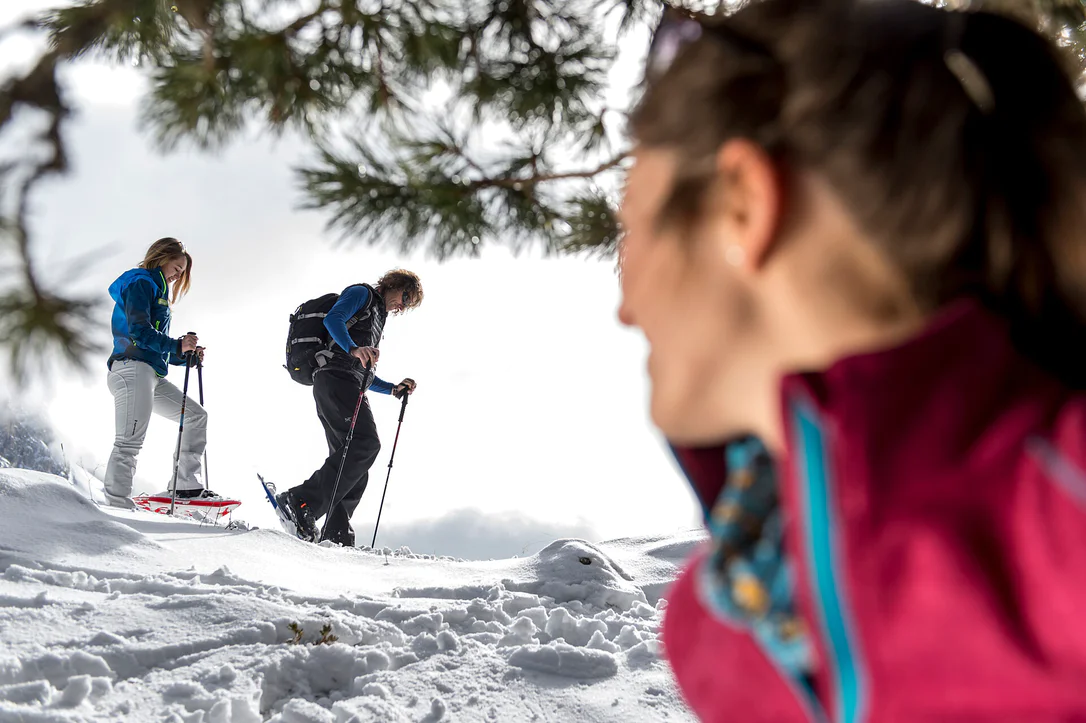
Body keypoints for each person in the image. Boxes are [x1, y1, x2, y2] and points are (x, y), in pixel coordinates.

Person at [619, 2, 1086, 721]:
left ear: (744, 203)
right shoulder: (720, 631)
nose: (625, 308)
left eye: (632, 231)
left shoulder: (1063, 507)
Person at [277, 269, 423, 546]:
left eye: (407, 304)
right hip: (335, 378)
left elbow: (360, 369)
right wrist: (354, 347)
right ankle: (299, 502)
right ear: (394, 284)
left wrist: (392, 388)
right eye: (405, 297)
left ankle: (337, 535)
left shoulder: (379, 316)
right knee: (365, 445)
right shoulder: (362, 294)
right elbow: (334, 319)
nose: (402, 306)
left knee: (353, 461)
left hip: (346, 382)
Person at [104, 237, 216, 509]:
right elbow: (139, 332)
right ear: (162, 257)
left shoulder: (158, 289)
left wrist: (183, 355)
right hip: (131, 368)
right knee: (129, 441)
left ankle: (186, 485)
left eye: (182, 271)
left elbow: (156, 346)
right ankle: (116, 505)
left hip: (149, 373)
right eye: (177, 268)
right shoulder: (141, 282)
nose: (179, 275)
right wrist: (177, 345)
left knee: (195, 416)